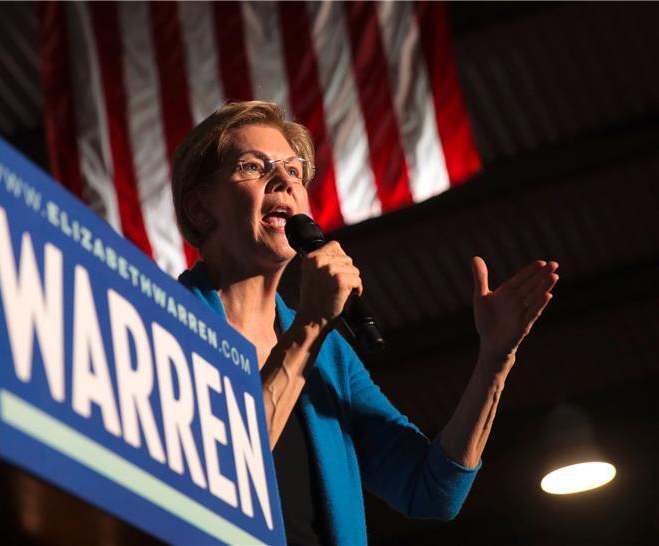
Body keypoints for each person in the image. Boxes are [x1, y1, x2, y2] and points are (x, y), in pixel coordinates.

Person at [171, 101, 559, 544]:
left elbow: (431, 490)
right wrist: (312, 325)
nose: (284, 180)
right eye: (253, 166)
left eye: (294, 171)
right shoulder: (168, 320)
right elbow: (222, 469)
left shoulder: (330, 355)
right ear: (201, 209)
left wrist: (493, 359)